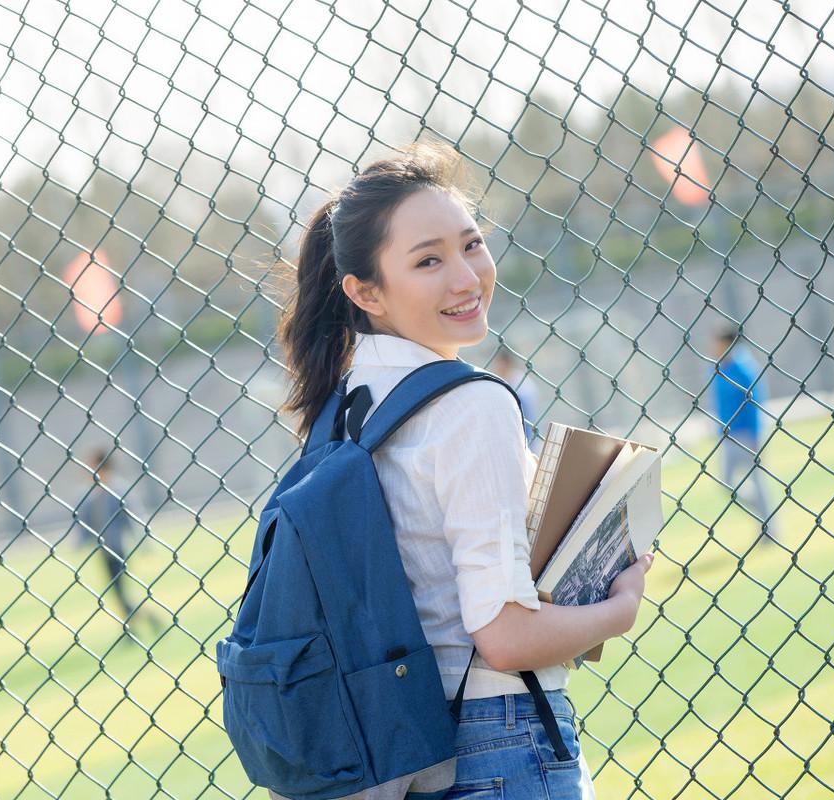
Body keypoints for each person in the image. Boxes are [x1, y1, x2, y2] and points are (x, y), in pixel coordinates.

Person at [275, 137, 654, 799]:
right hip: (499, 743)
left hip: (407, 752)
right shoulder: (472, 403)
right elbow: (504, 637)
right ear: (366, 291)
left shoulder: (348, 407)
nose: (465, 276)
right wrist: (617, 610)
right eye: (428, 260)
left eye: (472, 243)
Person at [709, 325, 778, 544]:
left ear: (728, 344)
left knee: (758, 481)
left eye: (717, 342)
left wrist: (756, 436)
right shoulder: (718, 368)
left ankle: (770, 529)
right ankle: (764, 513)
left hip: (747, 435)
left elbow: (755, 404)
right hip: (728, 436)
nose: (713, 347)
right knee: (727, 484)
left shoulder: (744, 368)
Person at [77, 448, 156, 634]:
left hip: (118, 549)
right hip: (103, 550)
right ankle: (139, 623)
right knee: (118, 593)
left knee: (120, 592)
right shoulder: (92, 494)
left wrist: (143, 543)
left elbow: (133, 518)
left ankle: (134, 627)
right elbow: (86, 522)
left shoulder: (117, 491)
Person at [493, 347, 540, 453]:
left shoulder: (518, 389)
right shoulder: (520, 381)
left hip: (525, 443)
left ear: (507, 363)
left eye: (499, 364)